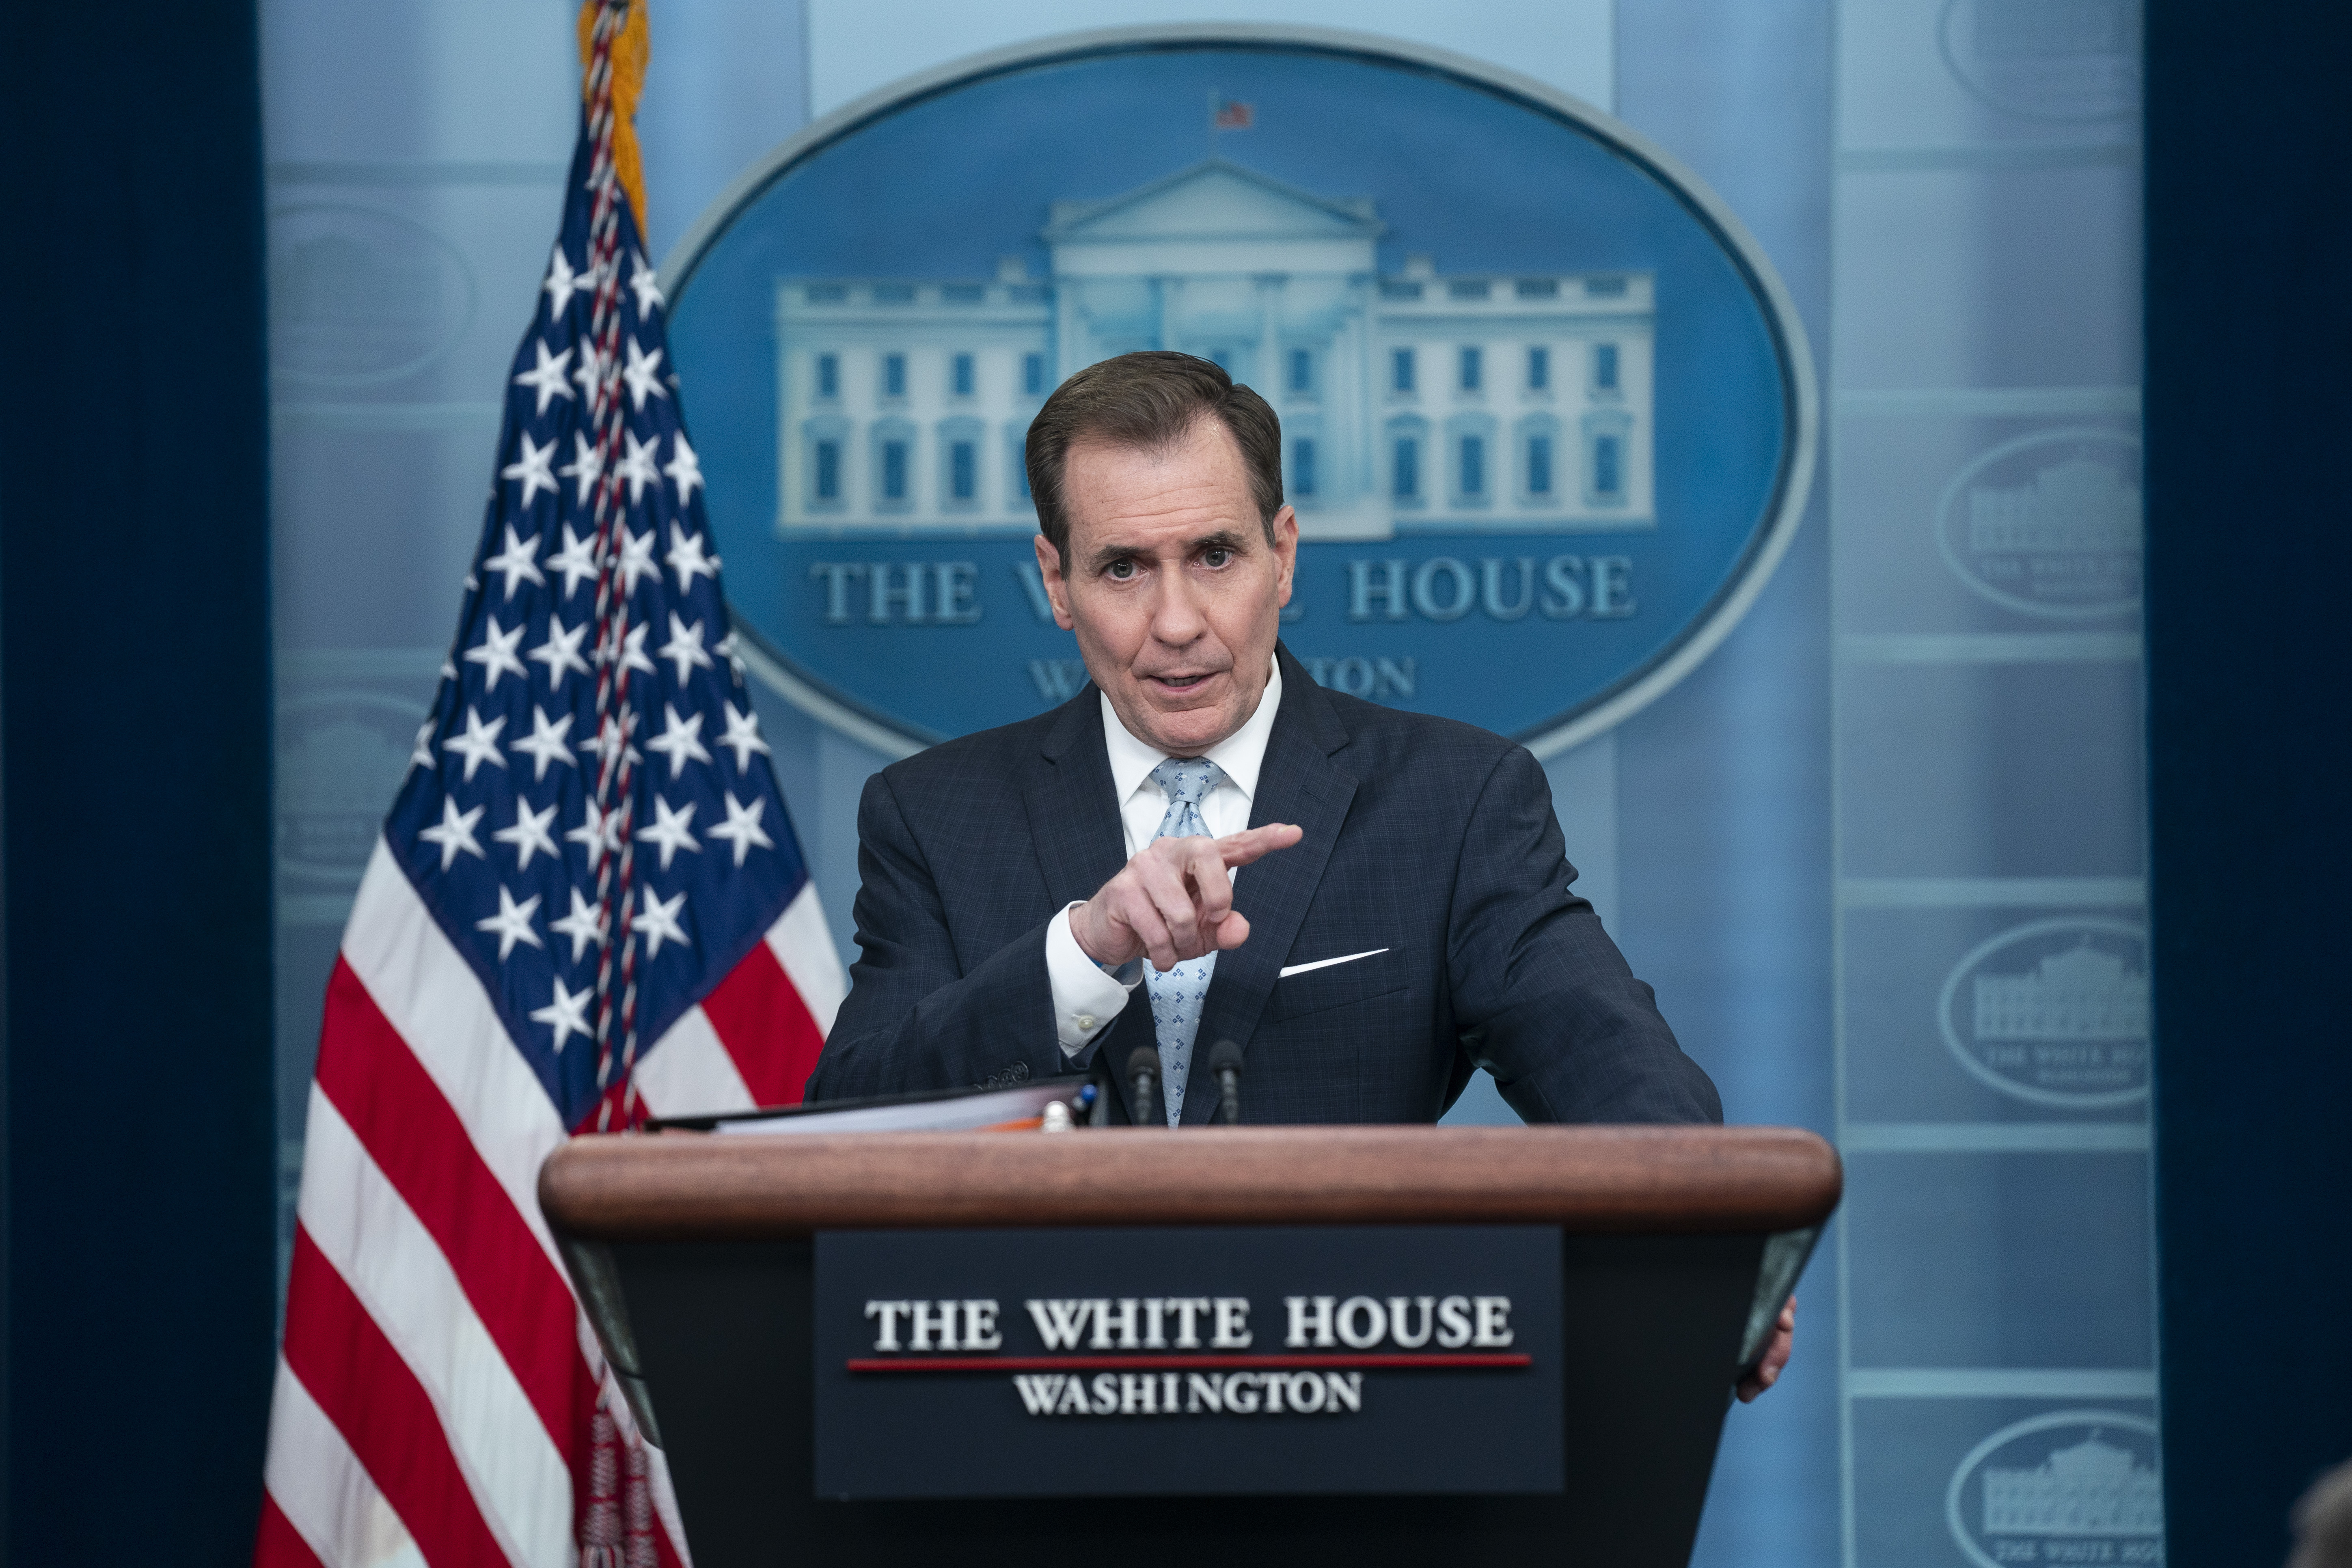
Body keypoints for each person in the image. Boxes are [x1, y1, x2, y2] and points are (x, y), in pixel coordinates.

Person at [805, 349, 1793, 1396]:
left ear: (1282, 556)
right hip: (1024, 1417)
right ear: (1057, 582)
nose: (1177, 622)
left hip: (1347, 1412)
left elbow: (1601, 1057)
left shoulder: (1452, 800)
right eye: (1124, 568)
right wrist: (1081, 957)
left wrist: (1711, 1243)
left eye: (1215, 556)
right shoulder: (934, 815)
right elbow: (850, 1135)